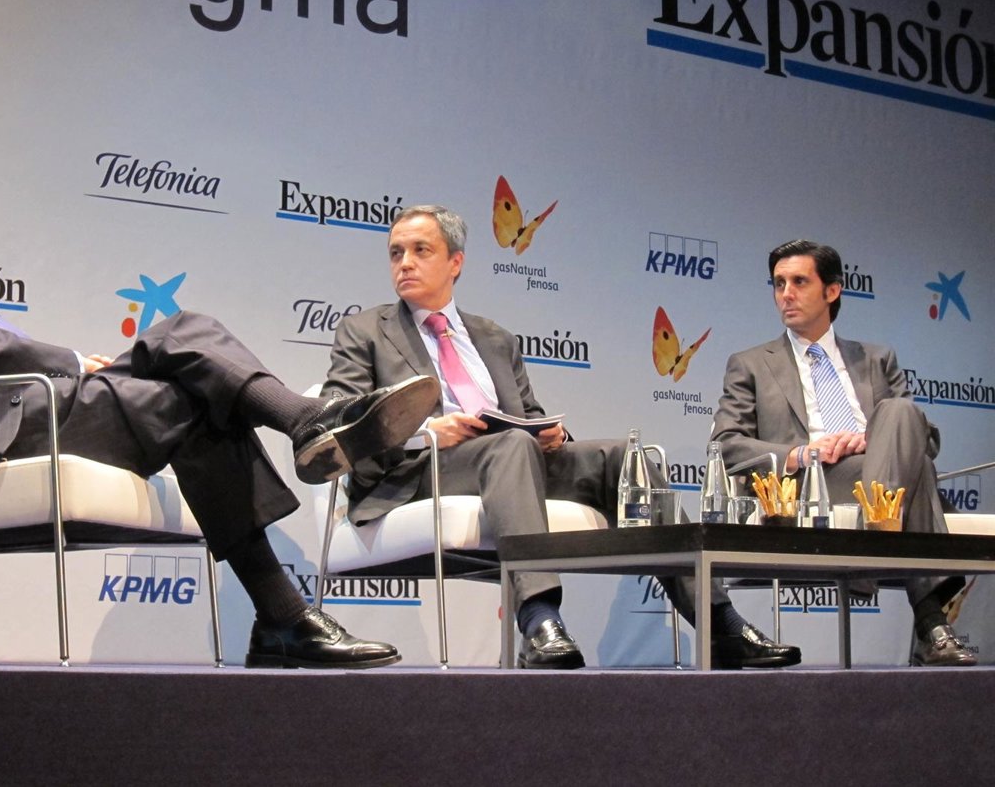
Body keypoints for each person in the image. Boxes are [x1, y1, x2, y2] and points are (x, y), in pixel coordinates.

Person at [0, 117, 442, 669]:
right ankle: (293, 534)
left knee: (186, 341)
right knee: (190, 386)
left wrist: (73, 371)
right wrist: (73, 364)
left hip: (7, 413)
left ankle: (287, 581)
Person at [321, 204, 799, 669]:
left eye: (420, 250)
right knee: (511, 446)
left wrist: (552, 434)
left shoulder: (494, 338)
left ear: (455, 262)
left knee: (622, 457)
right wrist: (426, 430)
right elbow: (338, 414)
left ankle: (719, 623)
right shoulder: (365, 331)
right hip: (416, 471)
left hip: (507, 460)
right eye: (396, 252)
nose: (404, 262)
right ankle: (539, 618)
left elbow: (527, 415)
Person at [712, 238, 976, 666]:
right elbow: (727, 444)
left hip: (877, 475)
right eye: (778, 283)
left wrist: (872, 438)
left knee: (900, 414)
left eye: (799, 282)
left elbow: (921, 440)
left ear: (832, 290)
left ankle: (871, 547)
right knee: (917, 470)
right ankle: (931, 622)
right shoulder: (751, 363)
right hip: (808, 487)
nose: (786, 294)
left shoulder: (876, 358)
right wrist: (804, 452)